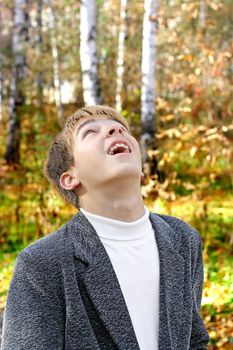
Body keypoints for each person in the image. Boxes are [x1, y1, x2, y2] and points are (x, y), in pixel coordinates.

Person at [1, 105, 209, 350]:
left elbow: (194, 341)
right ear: (70, 178)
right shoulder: (41, 264)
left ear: (141, 170)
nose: (114, 130)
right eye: (90, 132)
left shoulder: (183, 240)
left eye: (121, 129)